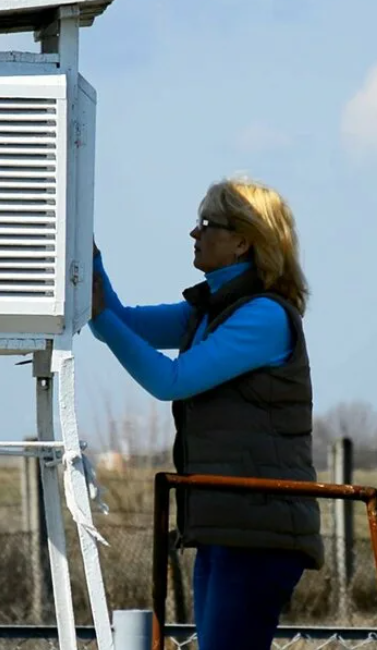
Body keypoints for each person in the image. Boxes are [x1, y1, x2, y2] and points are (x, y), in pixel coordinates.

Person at [88, 177, 324, 650]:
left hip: (259, 530)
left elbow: (168, 380)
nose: (193, 235)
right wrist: (88, 262)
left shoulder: (263, 317)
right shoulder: (210, 311)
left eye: (205, 224)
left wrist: (101, 314)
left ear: (242, 241)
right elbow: (121, 322)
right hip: (228, 523)